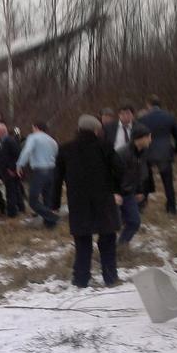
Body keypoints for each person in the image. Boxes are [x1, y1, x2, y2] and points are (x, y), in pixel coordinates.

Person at [53, 115, 123, 288]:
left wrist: (54, 203)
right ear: (96, 130)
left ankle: (81, 278)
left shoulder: (66, 149)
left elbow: (57, 178)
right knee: (107, 239)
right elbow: (119, 170)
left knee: (83, 242)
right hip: (104, 199)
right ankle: (110, 276)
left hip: (78, 202)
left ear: (79, 129)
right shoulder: (105, 147)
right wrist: (118, 191)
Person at [139, 95, 177, 214]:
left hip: (147, 152)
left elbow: (138, 136)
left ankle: (142, 205)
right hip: (165, 152)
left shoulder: (143, 119)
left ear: (148, 105)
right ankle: (171, 208)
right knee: (168, 182)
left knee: (145, 180)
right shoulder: (169, 117)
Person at [16, 121, 59, 228]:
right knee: (47, 198)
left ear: (36, 127)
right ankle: (50, 224)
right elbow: (56, 153)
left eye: (33, 128)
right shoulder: (52, 140)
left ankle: (52, 217)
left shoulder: (33, 137)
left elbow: (27, 151)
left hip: (39, 170)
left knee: (33, 200)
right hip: (51, 170)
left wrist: (20, 164)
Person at [116, 123, 151, 246]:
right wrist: (115, 193)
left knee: (134, 222)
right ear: (139, 138)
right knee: (114, 224)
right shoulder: (122, 153)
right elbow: (111, 174)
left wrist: (139, 190)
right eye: (148, 137)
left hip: (130, 192)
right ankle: (107, 250)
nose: (150, 140)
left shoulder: (143, 152)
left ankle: (121, 246)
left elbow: (140, 172)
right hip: (116, 193)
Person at [0, 124, 25, 217]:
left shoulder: (7, 141)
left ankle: (12, 212)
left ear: (2, 132)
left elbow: (8, 156)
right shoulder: (10, 140)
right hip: (13, 170)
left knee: (11, 192)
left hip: (10, 171)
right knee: (16, 190)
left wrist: (11, 169)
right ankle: (21, 207)